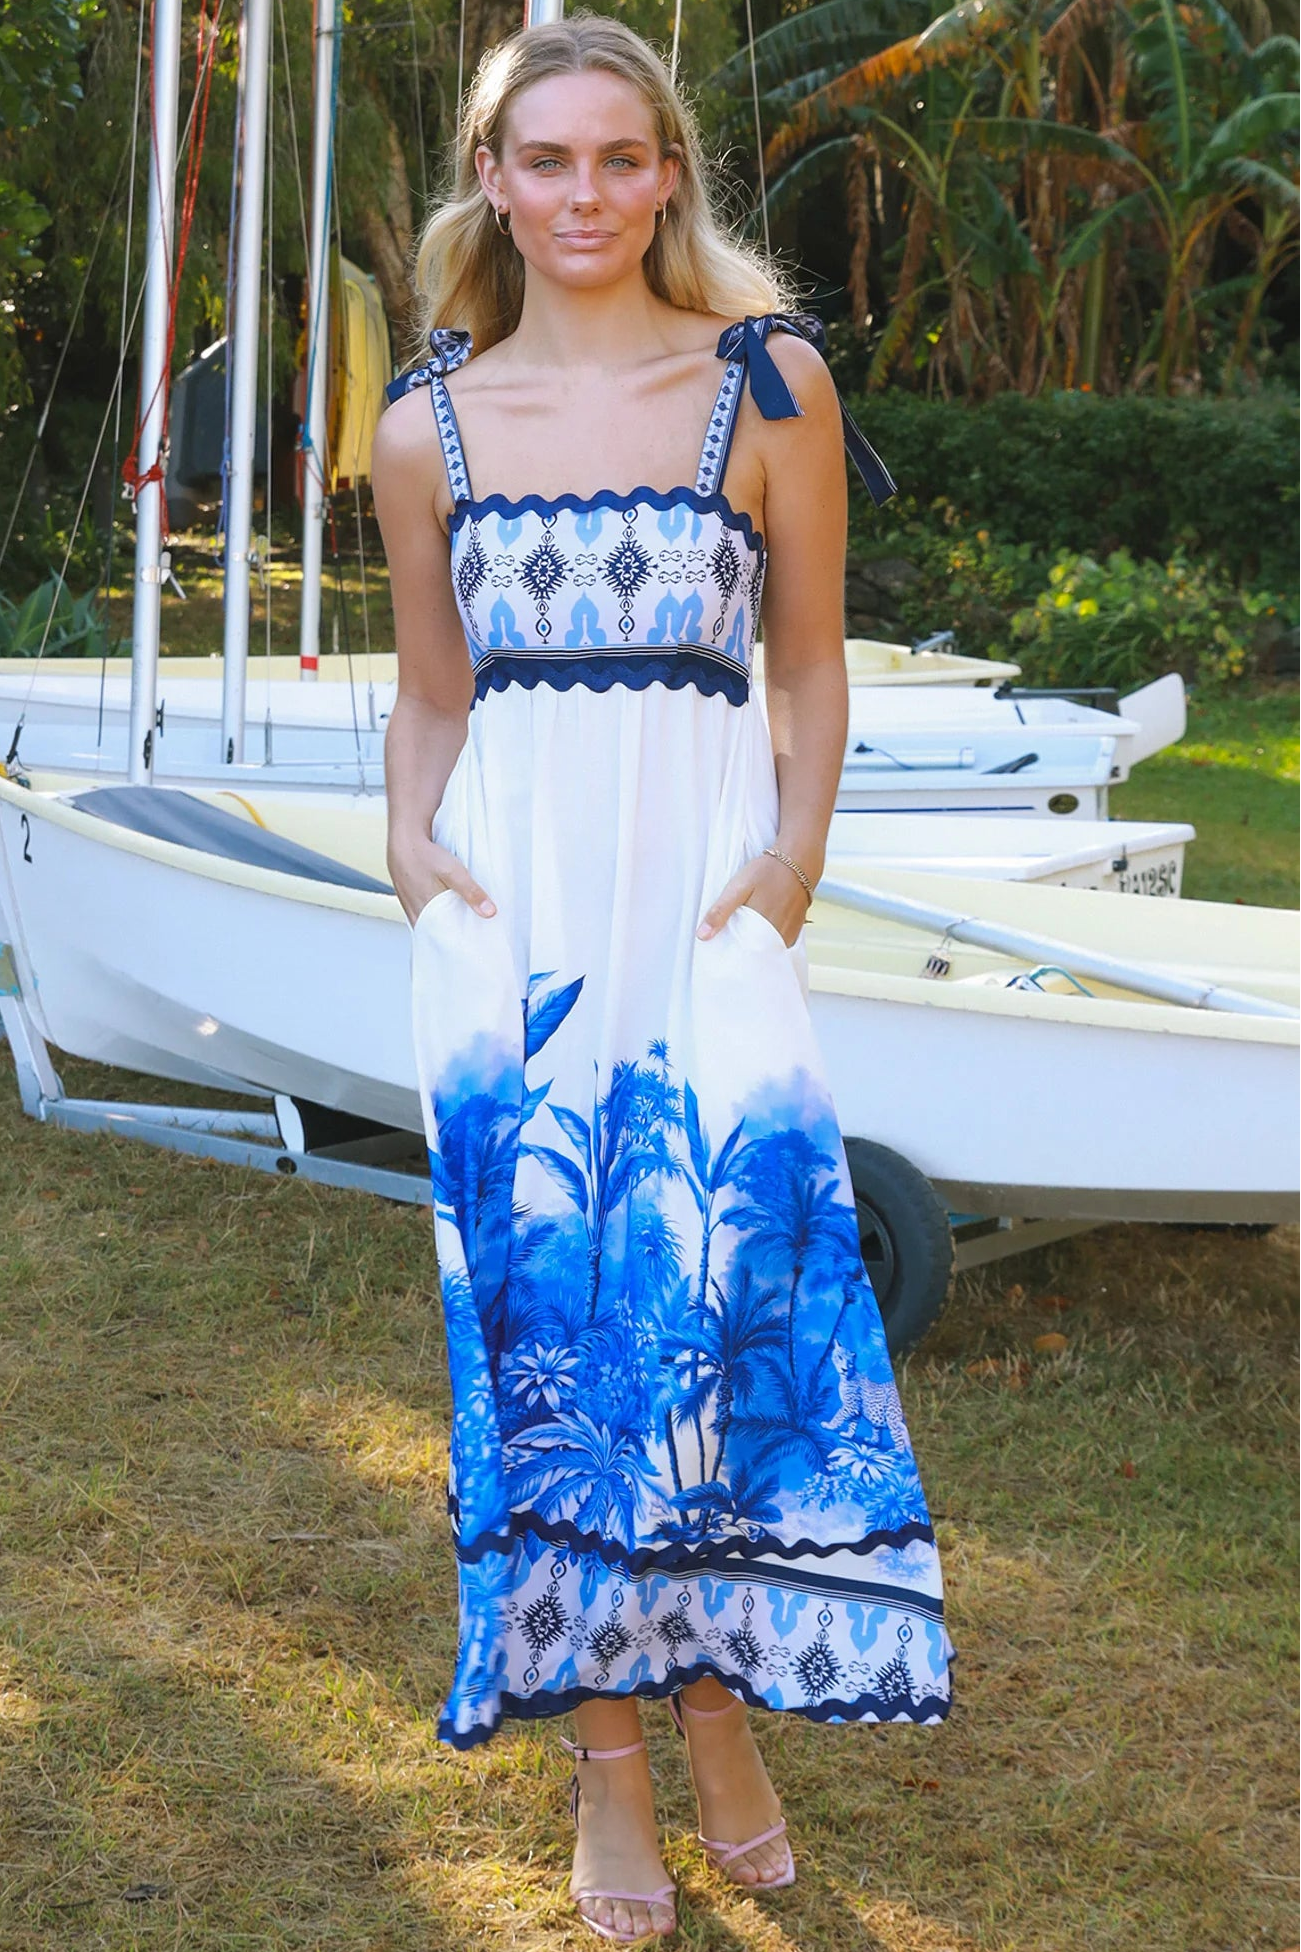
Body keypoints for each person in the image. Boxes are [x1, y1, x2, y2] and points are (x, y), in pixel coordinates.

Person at [372, 14, 953, 1943]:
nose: (588, 194)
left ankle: (725, 1715)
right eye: (550, 161)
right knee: (556, 1345)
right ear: (496, 182)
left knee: (716, 1308)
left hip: (703, 911)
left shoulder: (760, 384)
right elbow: (432, 697)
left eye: (624, 159)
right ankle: (615, 1763)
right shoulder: (426, 425)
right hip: (514, 931)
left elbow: (806, 666)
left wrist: (788, 869)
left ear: (672, 173)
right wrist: (409, 847)